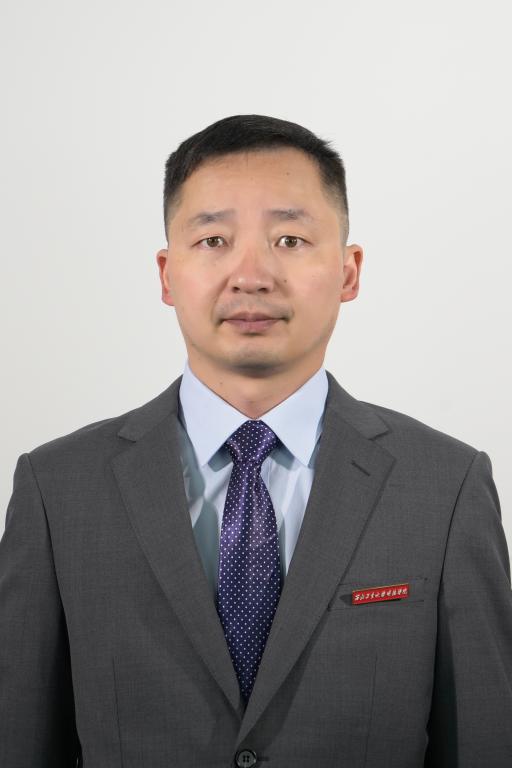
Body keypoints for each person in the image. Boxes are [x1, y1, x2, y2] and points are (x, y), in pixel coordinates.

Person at [1, 114, 511, 768]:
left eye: (290, 239)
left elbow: (486, 741)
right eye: (213, 239)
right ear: (167, 274)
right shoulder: (58, 489)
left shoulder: (444, 487)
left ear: (349, 271)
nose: (251, 275)